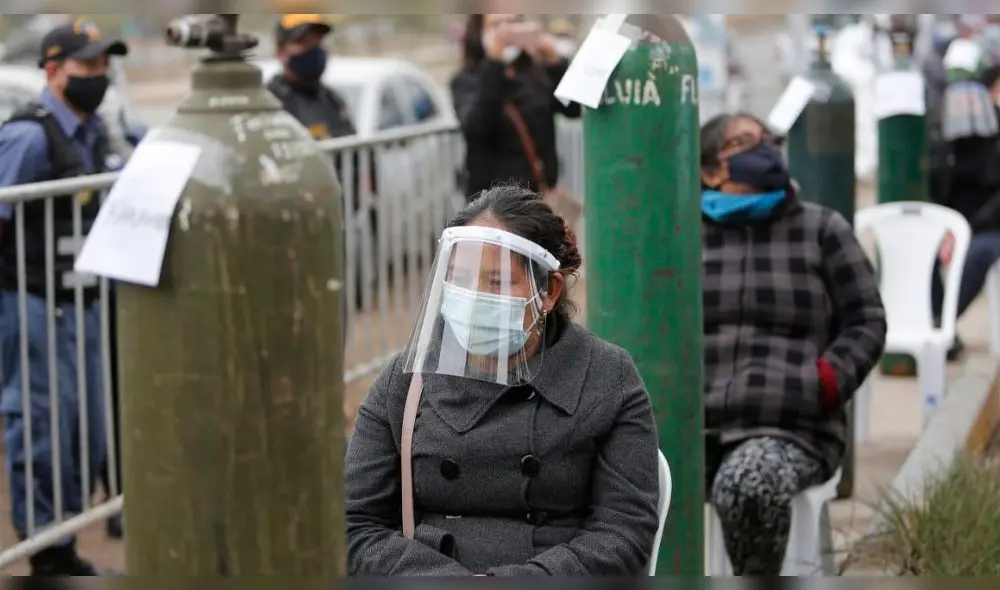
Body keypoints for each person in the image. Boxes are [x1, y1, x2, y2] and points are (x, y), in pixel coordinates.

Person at [345, 185, 660, 576]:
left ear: (548, 291)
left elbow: (625, 530)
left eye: (496, 282)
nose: (472, 297)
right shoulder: (407, 380)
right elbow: (354, 523)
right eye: (459, 278)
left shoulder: (607, 377)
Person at [699, 113, 887, 576]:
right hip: (695, 427)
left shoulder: (821, 230)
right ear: (710, 171)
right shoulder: (681, 236)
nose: (764, 151)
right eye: (745, 142)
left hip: (789, 426)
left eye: (768, 141)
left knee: (747, 485)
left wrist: (824, 382)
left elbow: (867, 321)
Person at [0, 19, 127, 575]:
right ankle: (46, 551)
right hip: (33, 304)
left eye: (105, 65)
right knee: (43, 424)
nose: (100, 76)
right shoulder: (27, 138)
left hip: (82, 304)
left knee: (85, 430)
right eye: (88, 66)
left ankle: (66, 536)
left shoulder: (96, 130)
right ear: (53, 72)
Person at [450, 14, 581, 200]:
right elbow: (478, 126)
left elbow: (573, 109)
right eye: (496, 25)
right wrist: (494, 63)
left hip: (538, 195)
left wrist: (555, 63)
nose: (506, 32)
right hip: (493, 202)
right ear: (478, 32)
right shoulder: (467, 80)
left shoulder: (534, 74)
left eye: (511, 23)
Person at [932, 65, 1000, 352]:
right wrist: (945, 233)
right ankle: (936, 326)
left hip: (989, 229)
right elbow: (937, 193)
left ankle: (941, 324)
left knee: (977, 255)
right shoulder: (945, 146)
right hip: (952, 226)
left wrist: (966, 231)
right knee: (923, 252)